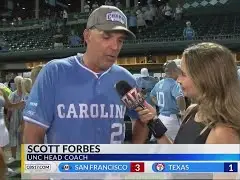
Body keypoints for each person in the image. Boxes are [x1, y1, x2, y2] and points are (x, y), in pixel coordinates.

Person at [23, 6, 148, 144]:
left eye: (120, 40)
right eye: (106, 37)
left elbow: (143, 118)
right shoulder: (55, 72)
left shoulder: (125, 79)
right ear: (87, 36)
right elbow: (33, 133)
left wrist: (134, 154)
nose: (115, 47)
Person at [136, 43, 240, 179]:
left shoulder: (224, 133)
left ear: (206, 78)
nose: (178, 79)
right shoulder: (192, 111)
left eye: (184, 74)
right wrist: (153, 122)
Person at [150, 60, 186, 141]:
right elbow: (180, 98)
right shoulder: (174, 83)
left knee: (160, 145)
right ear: (174, 70)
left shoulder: (159, 83)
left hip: (161, 118)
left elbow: (152, 95)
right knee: (175, 147)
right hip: (172, 120)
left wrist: (159, 103)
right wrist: (183, 111)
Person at [0, 87, 24, 177]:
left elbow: (9, 106)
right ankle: (4, 170)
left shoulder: (2, 90)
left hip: (1, 126)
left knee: (1, 150)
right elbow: (10, 106)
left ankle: (4, 169)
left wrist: (20, 104)